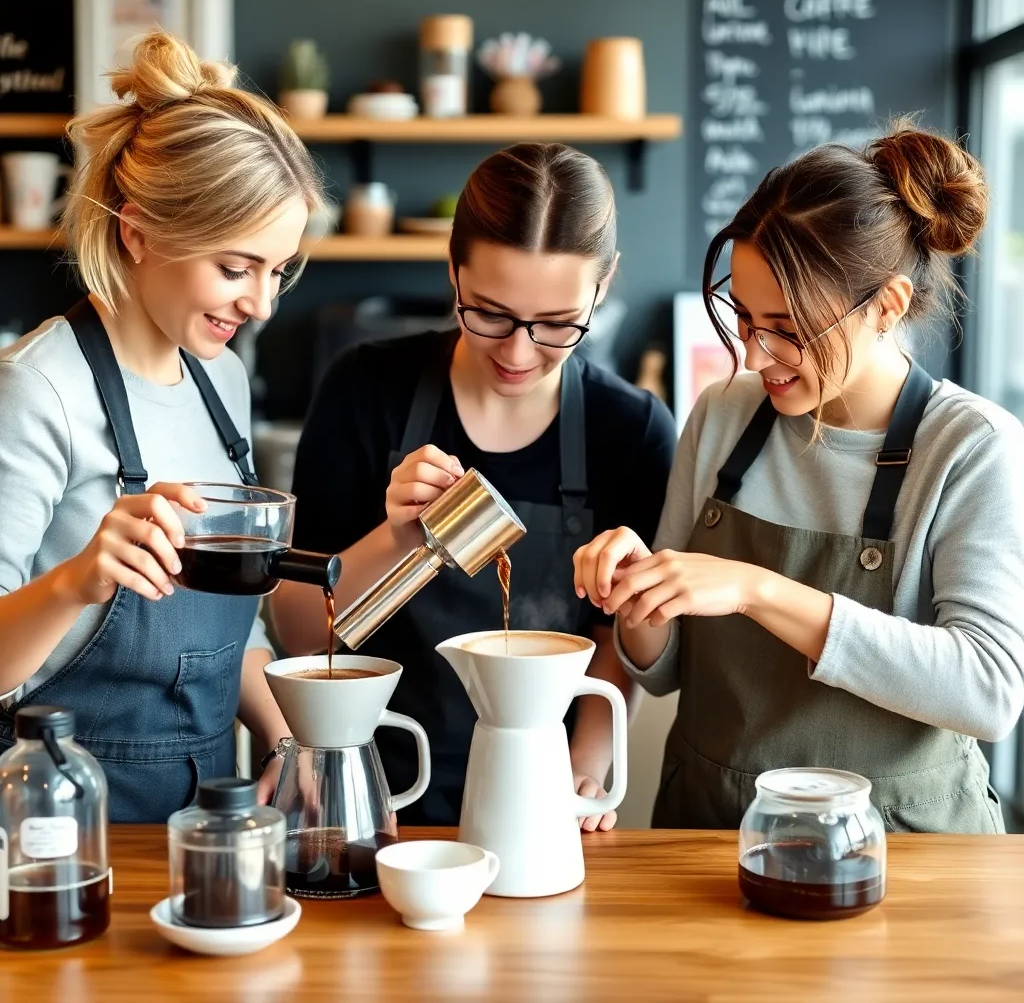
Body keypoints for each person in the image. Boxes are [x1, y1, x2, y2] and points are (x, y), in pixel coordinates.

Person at [574, 119, 1024, 833]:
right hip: (711, 833)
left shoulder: (971, 447)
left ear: (887, 306)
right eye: (745, 319)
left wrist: (757, 590)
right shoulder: (724, 414)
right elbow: (662, 671)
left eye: (786, 328)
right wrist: (638, 599)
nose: (755, 356)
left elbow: (988, 690)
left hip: (902, 850)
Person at [271, 143, 678, 828]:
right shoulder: (365, 390)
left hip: (538, 794)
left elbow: (611, 637)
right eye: (488, 312)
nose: (518, 353)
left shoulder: (630, 430)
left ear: (603, 284)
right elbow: (298, 634)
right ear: (453, 269)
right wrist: (396, 537)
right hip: (376, 793)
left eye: (557, 326)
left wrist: (585, 765)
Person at [0, 31, 324, 821]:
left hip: (212, 816)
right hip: (62, 830)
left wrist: (286, 740)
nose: (261, 304)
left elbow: (229, 634)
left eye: (278, 271)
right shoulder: (38, 389)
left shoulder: (223, 380)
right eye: (235, 267)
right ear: (139, 231)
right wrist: (76, 580)